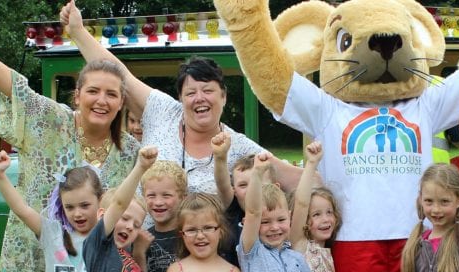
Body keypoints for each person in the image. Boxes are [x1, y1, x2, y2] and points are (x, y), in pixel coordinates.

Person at [0, 11, 139, 272]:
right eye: (93, 91)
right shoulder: (51, 121)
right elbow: (15, 87)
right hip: (32, 267)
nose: (102, 101)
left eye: (111, 94)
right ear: (77, 96)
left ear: (121, 102)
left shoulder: (132, 154)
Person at [59, 1, 303, 195]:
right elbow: (119, 75)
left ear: (224, 97)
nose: (199, 98)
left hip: (201, 251)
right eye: (190, 92)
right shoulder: (164, 111)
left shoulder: (239, 147)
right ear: (180, 98)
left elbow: (295, 180)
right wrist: (78, 32)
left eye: (208, 90)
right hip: (141, 247)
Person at [289, 141, 341, 272]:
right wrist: (311, 164)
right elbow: (302, 203)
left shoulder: (330, 251)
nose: (325, 219)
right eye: (317, 215)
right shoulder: (301, 246)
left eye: (329, 212)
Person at [136, 159, 187, 272]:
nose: (158, 202)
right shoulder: (141, 238)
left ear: (183, 197)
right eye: (151, 195)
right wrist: (139, 252)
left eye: (166, 195)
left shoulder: (190, 236)